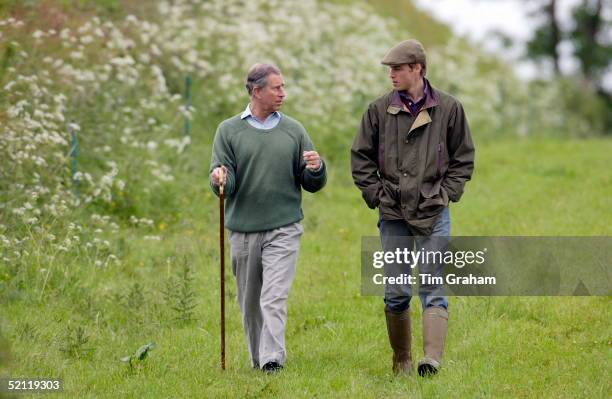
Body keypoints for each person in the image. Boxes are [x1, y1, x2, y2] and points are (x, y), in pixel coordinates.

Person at [351, 39, 475, 377]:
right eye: (389, 69)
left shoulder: (450, 109)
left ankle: (431, 361)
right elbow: (360, 159)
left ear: (417, 68)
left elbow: (463, 159)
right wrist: (377, 195)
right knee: (396, 291)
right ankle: (402, 360)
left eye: (397, 69)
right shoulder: (377, 111)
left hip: (434, 210)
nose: (391, 75)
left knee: (432, 284)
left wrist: (446, 193)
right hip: (392, 214)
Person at [209, 63, 327, 373]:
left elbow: (311, 183)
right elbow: (226, 181)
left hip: (284, 227)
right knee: (249, 303)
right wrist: (219, 177)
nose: (283, 93)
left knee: (273, 296)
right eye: (277, 88)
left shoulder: (294, 130)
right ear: (256, 91)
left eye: (283, 87)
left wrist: (316, 168)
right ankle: (257, 360)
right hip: (243, 230)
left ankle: (273, 360)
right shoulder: (228, 130)